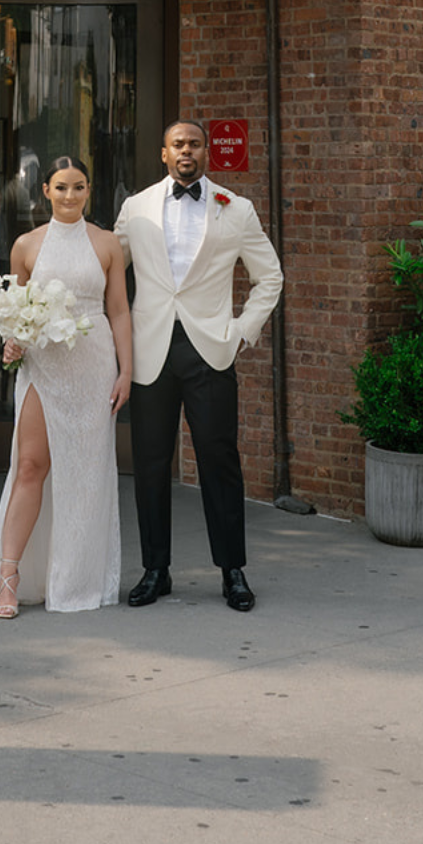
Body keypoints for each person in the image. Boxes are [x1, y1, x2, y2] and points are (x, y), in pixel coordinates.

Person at [112, 120, 282, 612]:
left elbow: (270, 278)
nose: (186, 151)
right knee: (149, 464)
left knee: (219, 461)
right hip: (150, 352)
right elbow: (111, 272)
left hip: (211, 350)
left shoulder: (237, 208)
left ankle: (233, 571)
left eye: (194, 144)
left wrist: (241, 330)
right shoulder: (136, 207)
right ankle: (155, 569)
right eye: (177, 145)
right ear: (162, 153)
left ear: (206, 152)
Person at [0, 155, 133, 618]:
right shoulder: (26, 245)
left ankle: (76, 578)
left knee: (85, 474)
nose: (71, 196)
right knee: (30, 466)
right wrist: (12, 344)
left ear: (89, 191)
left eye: (79, 187)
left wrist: (125, 371)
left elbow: (120, 311)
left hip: (92, 365)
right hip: (43, 367)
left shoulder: (108, 244)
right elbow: (14, 308)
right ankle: (10, 579)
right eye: (62, 187)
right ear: (45, 191)